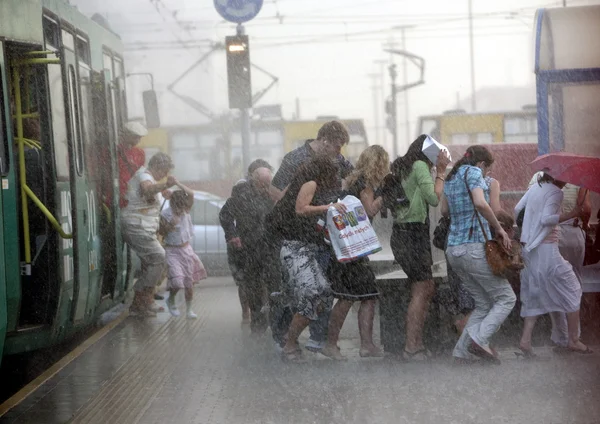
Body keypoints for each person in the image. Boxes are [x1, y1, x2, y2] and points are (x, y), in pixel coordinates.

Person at [269, 121, 353, 352]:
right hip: (295, 237)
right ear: (325, 140)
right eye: (337, 146)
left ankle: (316, 337)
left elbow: (353, 176)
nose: (340, 152)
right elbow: (277, 191)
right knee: (300, 292)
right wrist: (294, 209)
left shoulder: (335, 162)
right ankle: (285, 335)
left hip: (318, 237)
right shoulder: (296, 160)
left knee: (320, 291)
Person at [442, 145, 516, 364]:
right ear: (482, 164)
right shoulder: (473, 171)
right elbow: (480, 202)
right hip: (473, 247)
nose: (486, 175)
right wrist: (500, 229)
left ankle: (461, 351)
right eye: (487, 170)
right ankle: (479, 339)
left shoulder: (452, 176)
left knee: (483, 303)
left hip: (453, 250)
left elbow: (445, 211)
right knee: (506, 298)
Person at [322, 145, 389, 360]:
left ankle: (362, 345)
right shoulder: (366, 184)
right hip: (355, 249)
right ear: (379, 164)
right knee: (349, 297)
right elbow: (369, 209)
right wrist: (385, 196)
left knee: (361, 295)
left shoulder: (351, 180)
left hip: (345, 246)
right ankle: (333, 344)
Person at [515, 172, 592, 356]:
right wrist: (572, 213)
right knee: (573, 288)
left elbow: (518, 209)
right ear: (559, 177)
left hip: (529, 250)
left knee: (535, 292)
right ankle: (573, 340)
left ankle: (525, 341)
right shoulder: (557, 192)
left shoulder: (535, 188)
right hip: (547, 250)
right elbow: (546, 219)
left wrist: (529, 229)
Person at [389, 135, 450, 361]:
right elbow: (433, 198)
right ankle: (411, 346)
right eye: (437, 155)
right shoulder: (419, 166)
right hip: (412, 235)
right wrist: (441, 172)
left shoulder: (406, 166)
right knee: (422, 287)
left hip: (404, 234)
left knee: (426, 286)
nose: (439, 159)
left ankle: (416, 343)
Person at [219, 163, 276, 335]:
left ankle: (275, 321)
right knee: (253, 285)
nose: (266, 187)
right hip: (249, 248)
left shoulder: (272, 195)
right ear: (255, 181)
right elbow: (225, 215)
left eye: (269, 184)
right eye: (263, 184)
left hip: (270, 246)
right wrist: (232, 235)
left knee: (274, 284)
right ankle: (257, 322)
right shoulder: (241, 195)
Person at [122, 152, 177, 317]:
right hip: (135, 225)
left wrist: (163, 191)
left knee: (151, 263)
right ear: (156, 167)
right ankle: (139, 297)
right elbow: (147, 190)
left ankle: (143, 302)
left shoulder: (149, 177)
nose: (165, 175)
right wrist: (164, 185)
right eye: (164, 171)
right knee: (159, 258)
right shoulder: (143, 175)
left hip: (143, 227)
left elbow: (150, 194)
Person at [160, 183, 207, 319]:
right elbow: (161, 232)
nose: (180, 211)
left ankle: (189, 310)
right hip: (172, 250)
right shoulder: (165, 214)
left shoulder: (186, 211)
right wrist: (170, 225)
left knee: (189, 283)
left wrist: (176, 183)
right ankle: (171, 300)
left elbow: (191, 193)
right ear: (172, 204)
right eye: (178, 208)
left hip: (186, 250)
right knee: (177, 282)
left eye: (182, 208)